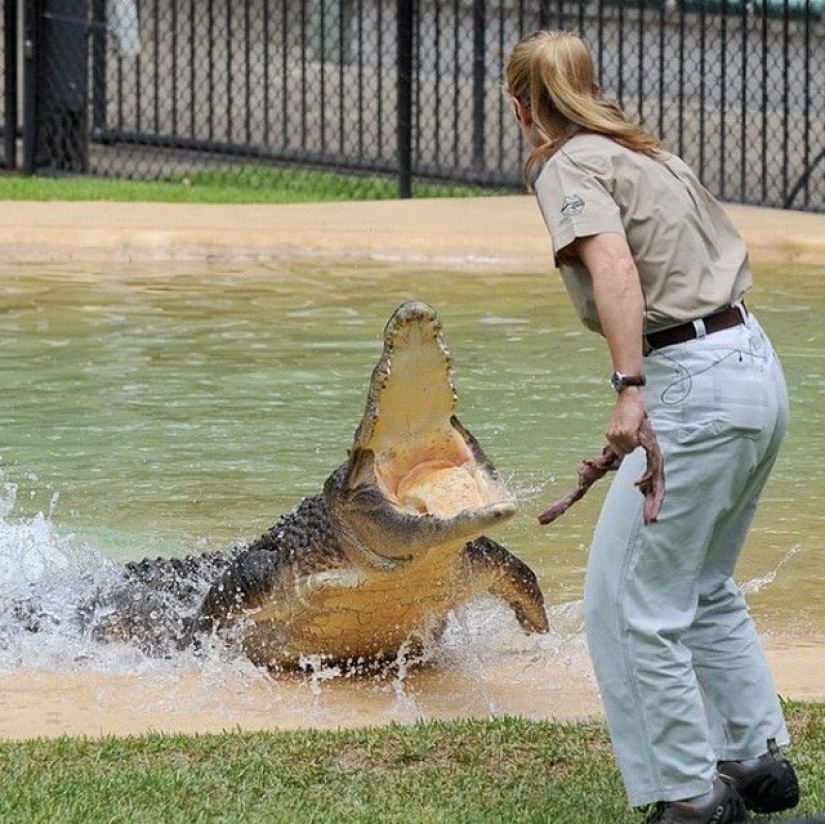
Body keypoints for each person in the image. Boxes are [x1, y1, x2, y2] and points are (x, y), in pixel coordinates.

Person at [504, 30, 800, 824]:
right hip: (751, 367)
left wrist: (630, 389)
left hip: (690, 384)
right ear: (585, 86)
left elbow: (614, 269)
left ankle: (690, 796)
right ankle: (752, 760)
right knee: (700, 585)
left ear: (520, 105)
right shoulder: (645, 152)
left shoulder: (566, 163)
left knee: (628, 605)